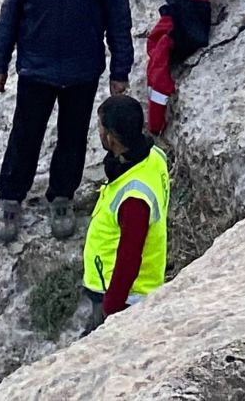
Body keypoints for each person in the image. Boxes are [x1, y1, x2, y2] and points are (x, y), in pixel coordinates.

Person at [0, 0, 133, 243]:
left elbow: (119, 23)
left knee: (72, 137)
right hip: (36, 68)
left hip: (81, 72)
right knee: (25, 135)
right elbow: (10, 14)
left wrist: (120, 71)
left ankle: (62, 198)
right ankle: (11, 198)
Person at [81, 95, 170, 333]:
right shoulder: (154, 157)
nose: (98, 132)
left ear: (111, 137)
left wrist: (112, 306)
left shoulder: (133, 199)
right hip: (122, 290)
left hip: (122, 297)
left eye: (100, 127)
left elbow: (129, 257)